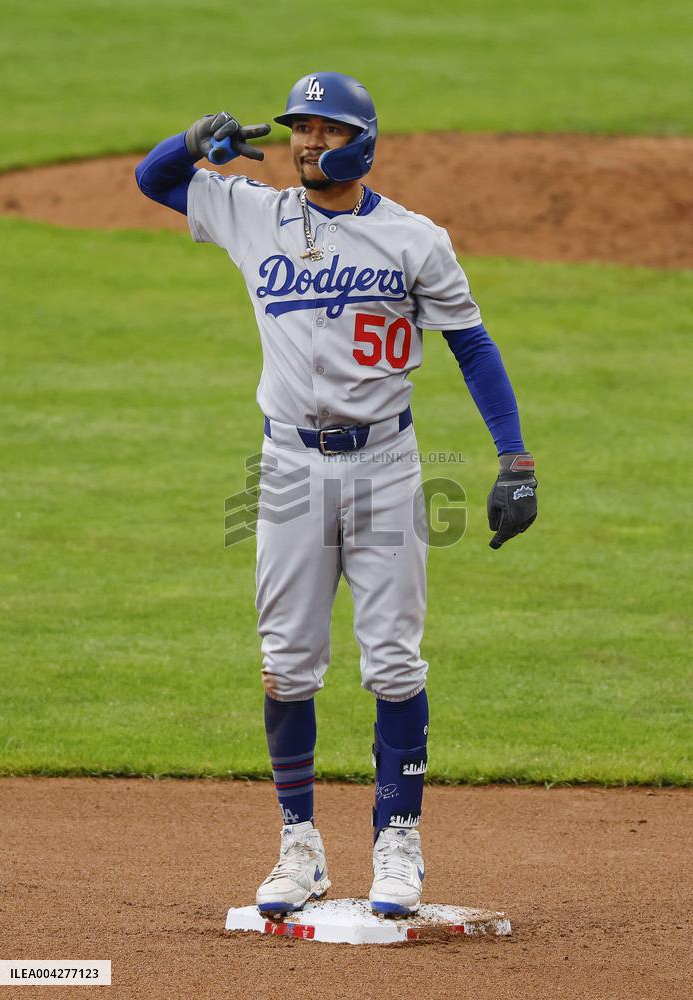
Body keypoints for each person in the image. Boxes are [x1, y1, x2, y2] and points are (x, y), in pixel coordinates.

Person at [135, 71, 537, 918]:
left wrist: (514, 459)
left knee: (393, 662)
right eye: (298, 130)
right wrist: (189, 140)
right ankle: (299, 845)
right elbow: (154, 182)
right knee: (286, 664)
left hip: (387, 467)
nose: (306, 143)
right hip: (285, 469)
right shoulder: (253, 212)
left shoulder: (415, 240)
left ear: (362, 139)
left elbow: (473, 347)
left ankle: (398, 841)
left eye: (323, 129)